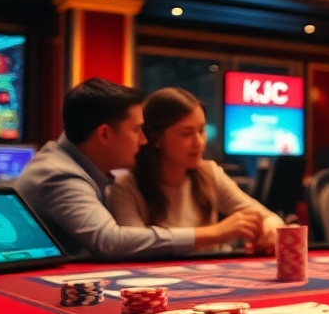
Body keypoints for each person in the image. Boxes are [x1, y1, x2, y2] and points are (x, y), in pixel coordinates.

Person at [15, 78, 261, 260]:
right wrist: (214, 232)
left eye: (201, 130)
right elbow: (110, 241)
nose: (143, 140)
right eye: (136, 130)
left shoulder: (75, 166)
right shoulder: (61, 174)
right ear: (105, 134)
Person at [107, 87, 282, 253]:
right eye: (187, 133)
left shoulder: (209, 174)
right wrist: (216, 232)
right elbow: (133, 246)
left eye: (201, 130)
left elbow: (270, 218)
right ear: (156, 138)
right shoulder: (125, 188)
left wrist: (269, 230)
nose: (199, 142)